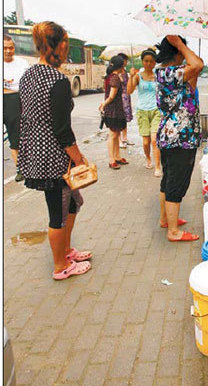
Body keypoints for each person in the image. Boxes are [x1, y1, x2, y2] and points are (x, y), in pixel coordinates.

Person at [18, 21, 92, 280]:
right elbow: (62, 130)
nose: (66, 49)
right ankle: (61, 266)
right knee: (58, 212)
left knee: (74, 202)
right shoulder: (58, 80)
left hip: (37, 153)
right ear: (59, 44)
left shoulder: (27, 75)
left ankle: (67, 250)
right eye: (66, 44)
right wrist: (79, 159)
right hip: (54, 159)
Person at [155, 35, 203, 242]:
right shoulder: (170, 73)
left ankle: (166, 219)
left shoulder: (167, 74)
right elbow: (198, 64)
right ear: (176, 52)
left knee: (168, 180)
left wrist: (182, 49)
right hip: (179, 137)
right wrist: (181, 44)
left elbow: (196, 70)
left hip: (171, 136)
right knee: (176, 183)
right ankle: (173, 231)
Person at [127, 48, 162, 176]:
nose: (148, 63)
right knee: (146, 141)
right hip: (142, 111)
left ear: (154, 63)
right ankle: (148, 157)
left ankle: (158, 166)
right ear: (142, 62)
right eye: (146, 61)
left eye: (151, 61)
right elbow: (129, 91)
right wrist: (130, 77)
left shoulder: (157, 76)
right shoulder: (137, 76)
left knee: (154, 140)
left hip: (156, 110)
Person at [4, 35, 29, 182]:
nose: (8, 51)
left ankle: (21, 168)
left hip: (16, 101)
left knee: (16, 136)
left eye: (10, 48)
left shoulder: (22, 63)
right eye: (4, 48)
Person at [99, 55, 129, 169]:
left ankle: (117, 156)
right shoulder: (115, 78)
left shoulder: (111, 76)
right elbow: (111, 96)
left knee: (116, 134)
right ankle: (112, 159)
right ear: (121, 66)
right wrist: (103, 104)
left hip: (114, 110)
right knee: (113, 135)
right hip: (113, 110)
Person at [117, 52, 134, 148]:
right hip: (120, 97)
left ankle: (125, 137)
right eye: (125, 60)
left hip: (126, 97)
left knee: (125, 118)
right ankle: (119, 140)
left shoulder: (125, 71)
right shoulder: (117, 72)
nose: (126, 62)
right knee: (119, 118)